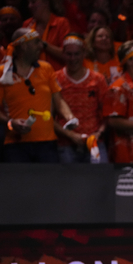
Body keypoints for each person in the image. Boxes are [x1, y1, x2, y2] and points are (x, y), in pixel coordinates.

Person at [0, 28, 78, 162]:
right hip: (15, 146)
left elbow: (58, 100)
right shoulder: (3, 73)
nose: (41, 46)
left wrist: (69, 116)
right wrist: (10, 122)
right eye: (36, 42)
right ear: (24, 46)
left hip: (47, 144)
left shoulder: (46, 68)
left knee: (49, 183)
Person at [55, 33, 109, 163]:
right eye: (69, 54)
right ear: (63, 54)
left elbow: (107, 112)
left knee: (101, 181)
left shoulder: (98, 79)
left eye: (77, 54)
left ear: (84, 53)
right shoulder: (55, 79)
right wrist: (71, 135)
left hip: (94, 143)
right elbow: (50, 117)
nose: (73, 58)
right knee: (68, 183)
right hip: (65, 144)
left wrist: (98, 133)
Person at [23, 0, 71, 70]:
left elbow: (67, 54)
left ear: (45, 2)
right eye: (28, 3)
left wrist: (44, 45)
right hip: (32, 76)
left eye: (33, 2)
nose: (29, 6)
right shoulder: (27, 24)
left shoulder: (61, 23)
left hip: (55, 75)